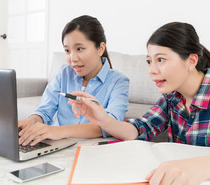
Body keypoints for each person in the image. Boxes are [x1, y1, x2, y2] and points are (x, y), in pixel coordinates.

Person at [68, 22, 210, 185]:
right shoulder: (172, 98)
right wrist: (103, 119)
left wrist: (202, 166)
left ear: (191, 61)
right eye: (149, 61)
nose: (152, 70)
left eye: (161, 60)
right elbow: (139, 129)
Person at [18, 15, 130, 146]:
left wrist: (60, 131)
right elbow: (45, 110)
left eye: (79, 49)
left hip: (91, 150)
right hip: (57, 146)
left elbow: (111, 125)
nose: (73, 58)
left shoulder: (118, 81)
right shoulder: (63, 73)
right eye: (67, 50)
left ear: (100, 48)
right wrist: (31, 121)